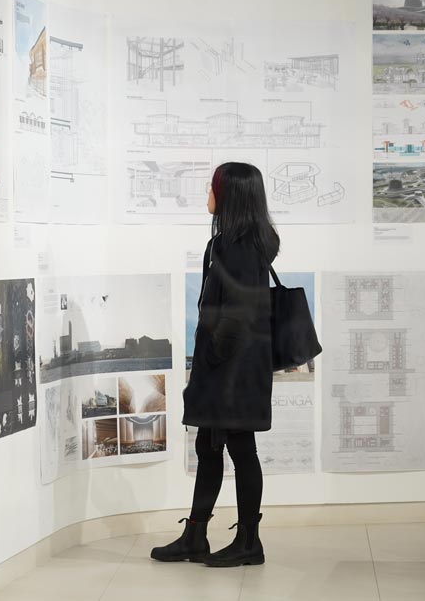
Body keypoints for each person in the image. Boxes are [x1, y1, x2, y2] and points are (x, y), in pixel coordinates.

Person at [151, 162, 279, 568]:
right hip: (231, 368)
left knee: (241, 449)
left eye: (213, 186)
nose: (207, 192)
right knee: (209, 449)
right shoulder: (245, 242)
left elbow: (237, 315)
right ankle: (196, 535)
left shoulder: (235, 246)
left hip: (231, 372)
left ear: (232, 196)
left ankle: (248, 542)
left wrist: (212, 364)